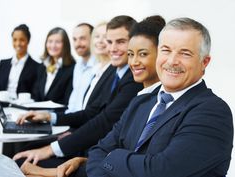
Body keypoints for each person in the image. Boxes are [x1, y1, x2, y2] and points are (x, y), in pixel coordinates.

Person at [19, 15, 166, 177]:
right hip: (96, 154)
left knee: (26, 162)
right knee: (25, 154)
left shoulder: (139, 85)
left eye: (121, 42)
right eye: (109, 42)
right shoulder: (114, 73)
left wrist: (54, 170)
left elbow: (106, 124)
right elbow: (95, 115)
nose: (112, 48)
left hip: (100, 158)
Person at [86, 17, 234, 177]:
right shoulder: (141, 102)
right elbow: (98, 151)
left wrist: (112, 157)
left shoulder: (212, 111)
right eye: (166, 50)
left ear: (204, 62)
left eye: (185, 53)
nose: (172, 61)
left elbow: (160, 171)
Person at [32, 27, 75, 105]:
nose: (53, 45)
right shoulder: (42, 66)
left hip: (57, 115)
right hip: (38, 113)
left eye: (57, 42)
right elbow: (35, 94)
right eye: (50, 41)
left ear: (65, 45)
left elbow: (67, 101)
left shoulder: (72, 68)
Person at [0, 24, 39, 99]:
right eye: (15, 40)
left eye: (22, 40)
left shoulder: (37, 67)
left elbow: (35, 94)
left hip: (22, 107)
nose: (18, 44)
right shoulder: (3, 64)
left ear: (28, 41)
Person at [66, 23, 98, 113]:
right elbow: (73, 101)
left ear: (93, 39)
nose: (77, 44)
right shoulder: (78, 65)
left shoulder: (99, 67)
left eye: (82, 38)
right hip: (72, 119)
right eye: (75, 39)